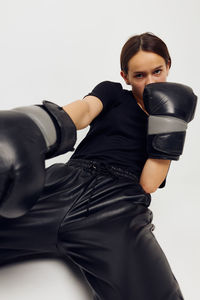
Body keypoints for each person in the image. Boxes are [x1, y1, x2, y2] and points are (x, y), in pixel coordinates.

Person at [0, 32, 197, 299]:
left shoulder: (173, 114)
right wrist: (40, 126)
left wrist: (170, 123)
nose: (150, 82)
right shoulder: (113, 93)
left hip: (117, 206)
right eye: (139, 75)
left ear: (168, 66)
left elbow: (149, 183)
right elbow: (84, 111)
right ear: (125, 76)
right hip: (65, 183)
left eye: (157, 71)